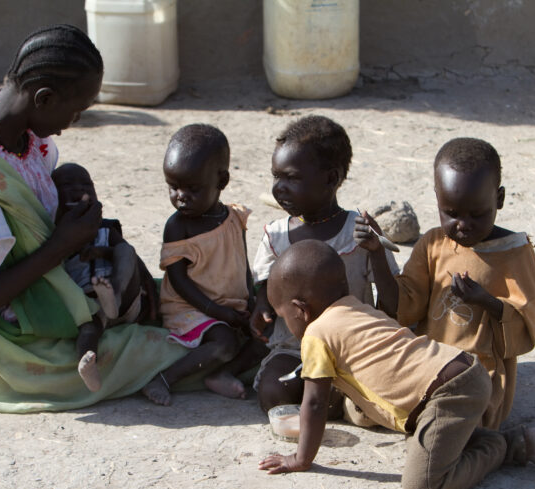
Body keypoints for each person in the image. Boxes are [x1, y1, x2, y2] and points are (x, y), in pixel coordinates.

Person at [0, 24, 186, 413]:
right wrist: (59, 247)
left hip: (50, 284)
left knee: (172, 302)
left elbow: (28, 220)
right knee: (175, 347)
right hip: (9, 339)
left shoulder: (22, 136)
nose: (77, 119)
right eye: (78, 109)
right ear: (45, 98)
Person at [257, 240, 535, 489]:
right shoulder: (356, 307)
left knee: (423, 486)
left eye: (286, 317)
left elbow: (313, 403)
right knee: (431, 440)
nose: (290, 325)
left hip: (448, 392)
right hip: (460, 371)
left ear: (301, 309)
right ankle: (481, 440)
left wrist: (300, 459)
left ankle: (508, 446)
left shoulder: (316, 334)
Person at [355, 137, 535, 429]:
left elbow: (526, 322)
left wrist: (486, 301)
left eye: (477, 214)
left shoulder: (514, 252)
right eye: (451, 213)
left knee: (459, 421)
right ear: (438, 198)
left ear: (500, 199)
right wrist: (377, 252)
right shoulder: (433, 244)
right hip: (430, 363)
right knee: (362, 405)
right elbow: (404, 306)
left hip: (478, 374)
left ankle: (506, 445)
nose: (462, 224)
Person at [250, 115, 399, 413]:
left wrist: (377, 253)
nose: (279, 188)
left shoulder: (359, 234)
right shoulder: (276, 236)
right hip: (296, 350)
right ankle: (336, 402)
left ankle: (329, 401)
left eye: (291, 178)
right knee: (273, 392)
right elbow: (263, 292)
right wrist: (262, 306)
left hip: (356, 348)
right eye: (276, 177)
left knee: (391, 391)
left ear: (331, 178)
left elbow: (394, 304)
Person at [143, 124, 266, 406]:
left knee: (267, 334)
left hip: (229, 304)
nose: (180, 196)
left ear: (221, 181)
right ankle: (163, 379)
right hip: (192, 308)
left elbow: (241, 261)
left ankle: (223, 375)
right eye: (172, 187)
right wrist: (216, 310)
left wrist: (250, 299)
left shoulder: (234, 217)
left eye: (192, 189)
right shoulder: (178, 227)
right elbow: (179, 282)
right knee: (225, 343)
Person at [52, 163, 150, 392]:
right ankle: (88, 365)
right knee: (89, 330)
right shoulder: (54, 235)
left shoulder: (106, 228)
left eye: (86, 184)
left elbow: (132, 260)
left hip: (125, 295)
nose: (78, 189)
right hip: (90, 305)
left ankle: (113, 295)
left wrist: (100, 252)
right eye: (67, 185)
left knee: (126, 252)